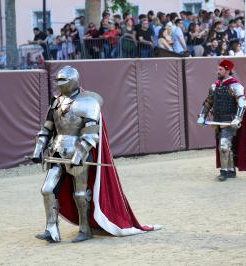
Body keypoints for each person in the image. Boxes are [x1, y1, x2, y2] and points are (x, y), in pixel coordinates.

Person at [31, 66, 161, 243]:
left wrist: (78, 156)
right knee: (47, 190)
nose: (60, 84)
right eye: (58, 81)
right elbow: (47, 128)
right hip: (57, 151)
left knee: (80, 193)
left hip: (79, 153)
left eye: (63, 81)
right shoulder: (56, 101)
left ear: (74, 81)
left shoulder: (88, 102)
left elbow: (91, 134)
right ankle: (51, 229)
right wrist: (38, 149)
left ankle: (85, 229)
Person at [197, 60, 246, 181]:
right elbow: (208, 102)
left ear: (228, 71)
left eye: (220, 70)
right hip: (218, 121)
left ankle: (223, 172)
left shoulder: (236, 86)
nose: (218, 71)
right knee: (227, 145)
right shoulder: (215, 86)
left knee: (223, 146)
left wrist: (237, 118)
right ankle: (230, 170)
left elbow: (242, 104)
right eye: (218, 69)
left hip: (230, 121)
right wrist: (202, 115)